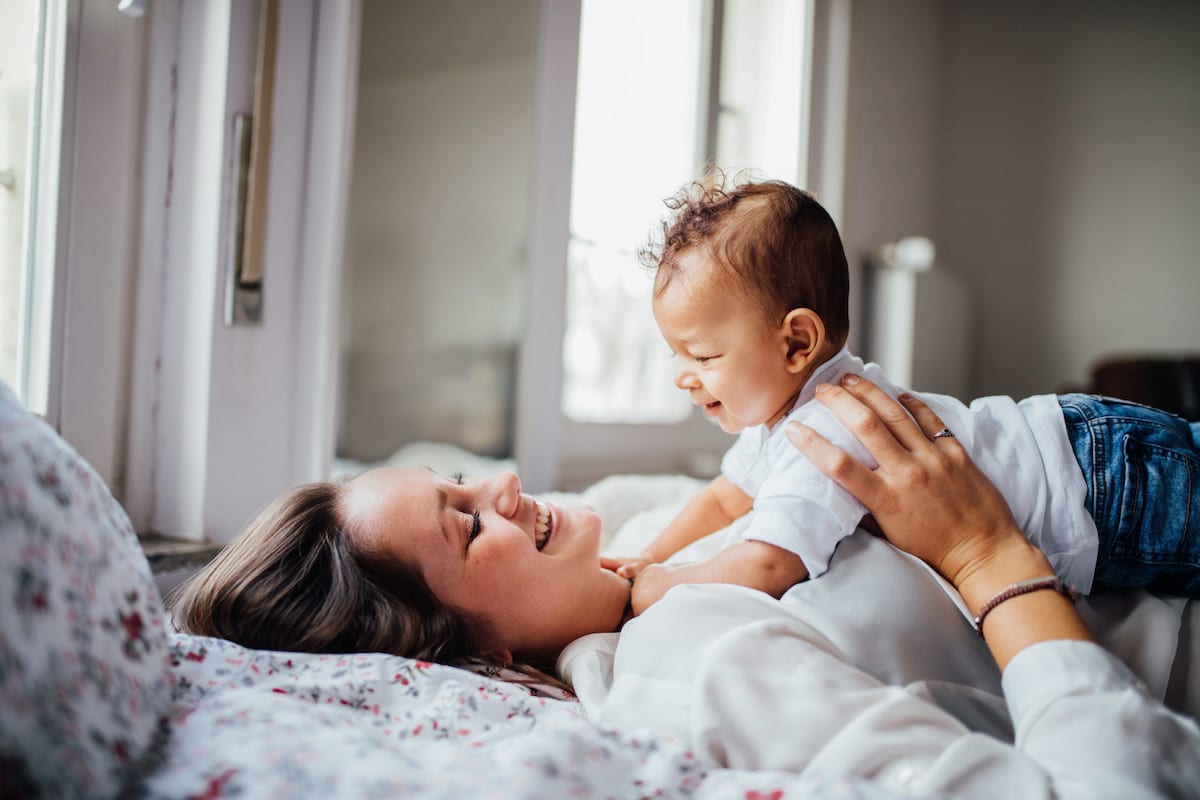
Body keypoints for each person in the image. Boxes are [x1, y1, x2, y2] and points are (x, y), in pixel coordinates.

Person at [170, 376, 1200, 797]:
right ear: (470, 654)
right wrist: (987, 557)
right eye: (468, 523)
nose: (505, 487)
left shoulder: (638, 552)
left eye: (461, 479)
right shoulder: (695, 668)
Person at [611, 174, 1200, 615]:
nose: (683, 376)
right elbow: (724, 500)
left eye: (703, 356)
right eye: (676, 355)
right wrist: (652, 556)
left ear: (796, 343)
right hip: (1087, 450)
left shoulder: (826, 429)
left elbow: (766, 565)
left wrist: (665, 586)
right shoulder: (785, 417)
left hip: (1101, 487)